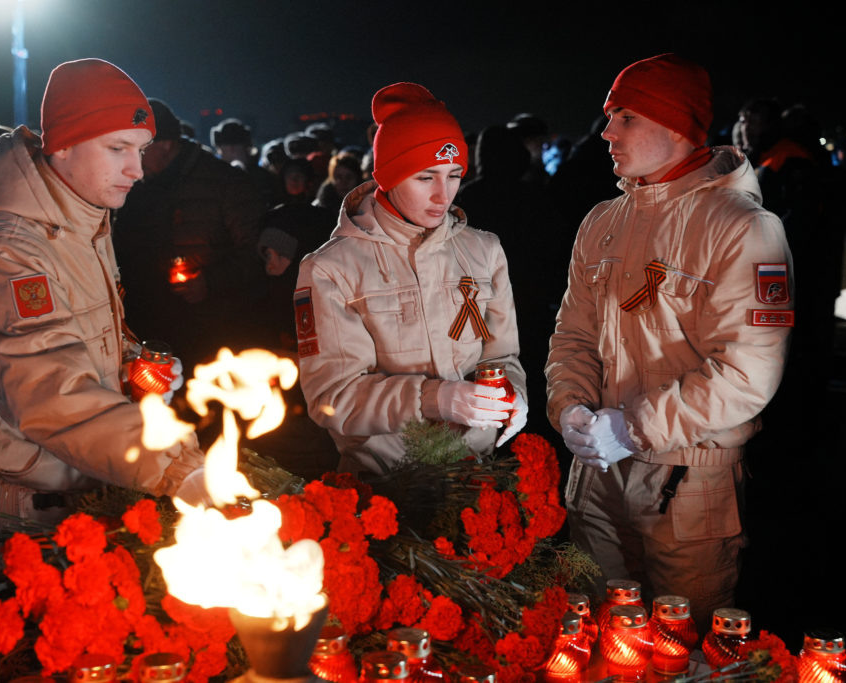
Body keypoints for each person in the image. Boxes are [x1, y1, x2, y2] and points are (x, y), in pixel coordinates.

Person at [545, 54, 793, 631]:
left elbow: (748, 373)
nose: (606, 131)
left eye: (625, 116)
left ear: (675, 125)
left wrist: (632, 428)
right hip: (596, 476)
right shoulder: (601, 221)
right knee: (591, 640)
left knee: (682, 652)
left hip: (687, 481)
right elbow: (572, 335)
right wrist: (570, 408)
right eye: (610, 116)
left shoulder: (743, 226)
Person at [0, 59, 205, 569]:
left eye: (141, 150)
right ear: (62, 144)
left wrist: (131, 362)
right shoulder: (11, 249)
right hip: (26, 512)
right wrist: (175, 468)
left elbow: (72, 338)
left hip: (84, 488)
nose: (137, 169)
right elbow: (48, 390)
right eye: (117, 148)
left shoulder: (79, 218)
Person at [296, 82, 528, 474]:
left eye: (454, 175)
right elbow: (332, 397)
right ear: (389, 176)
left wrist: (512, 394)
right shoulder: (330, 268)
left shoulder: (484, 250)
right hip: (385, 484)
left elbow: (501, 356)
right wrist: (433, 399)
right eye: (425, 177)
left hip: (476, 474)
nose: (444, 195)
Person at [113, 98, 267, 368]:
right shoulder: (133, 185)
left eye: (139, 149)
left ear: (165, 144)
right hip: (147, 330)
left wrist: (209, 282)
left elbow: (256, 251)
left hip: (212, 331)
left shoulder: (224, 182)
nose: (131, 158)